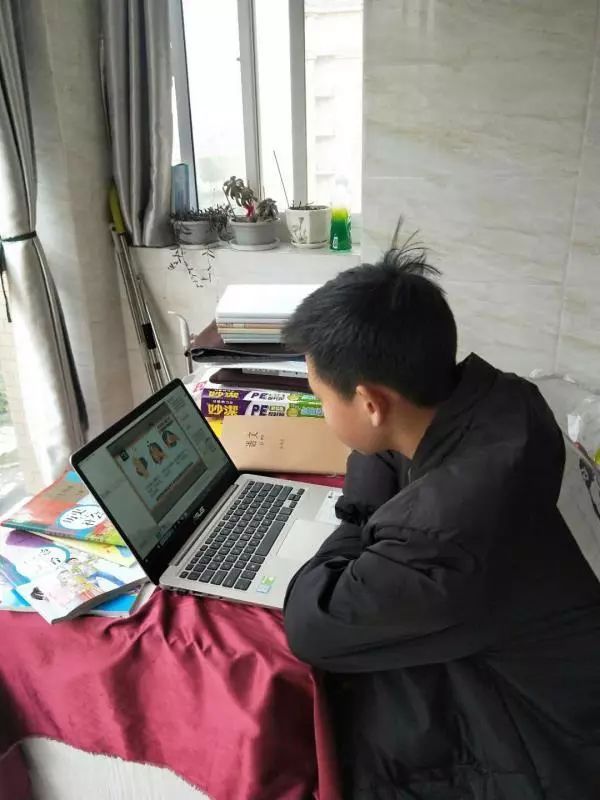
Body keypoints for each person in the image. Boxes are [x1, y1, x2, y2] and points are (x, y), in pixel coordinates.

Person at [282, 236, 600, 800]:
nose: (322, 411)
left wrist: (356, 521)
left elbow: (313, 626)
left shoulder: (446, 535)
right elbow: (388, 453)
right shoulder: (504, 402)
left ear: (371, 403)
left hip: (546, 749)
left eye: (320, 397)